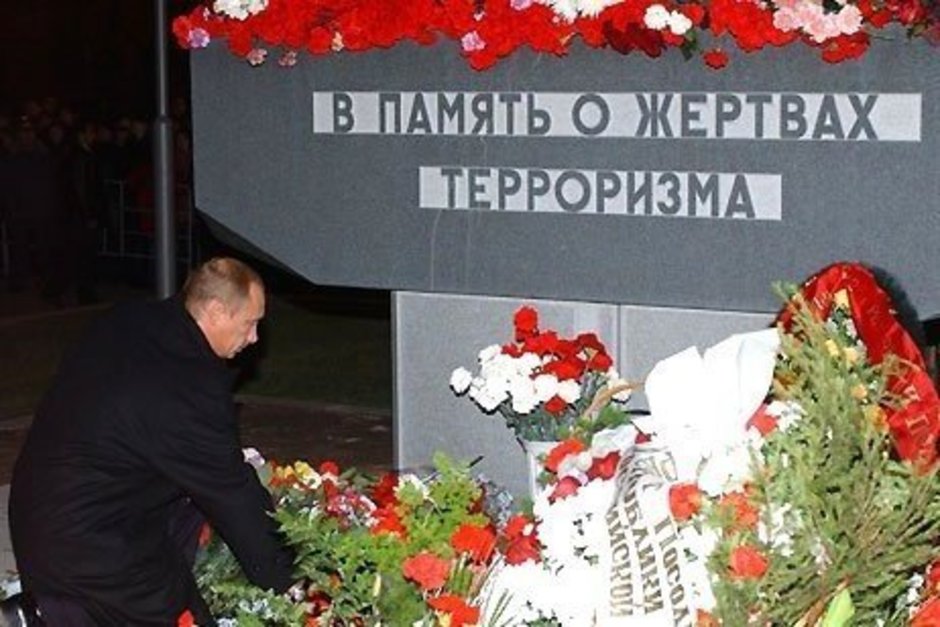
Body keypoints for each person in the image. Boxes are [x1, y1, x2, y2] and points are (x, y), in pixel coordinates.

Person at [7, 257, 296, 625]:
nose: (254, 338)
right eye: (249, 323)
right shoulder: (189, 385)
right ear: (215, 311)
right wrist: (291, 582)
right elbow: (232, 493)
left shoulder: (132, 320)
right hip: (86, 545)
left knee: (185, 517)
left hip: (38, 508)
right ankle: (46, 616)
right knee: (183, 616)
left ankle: (45, 614)